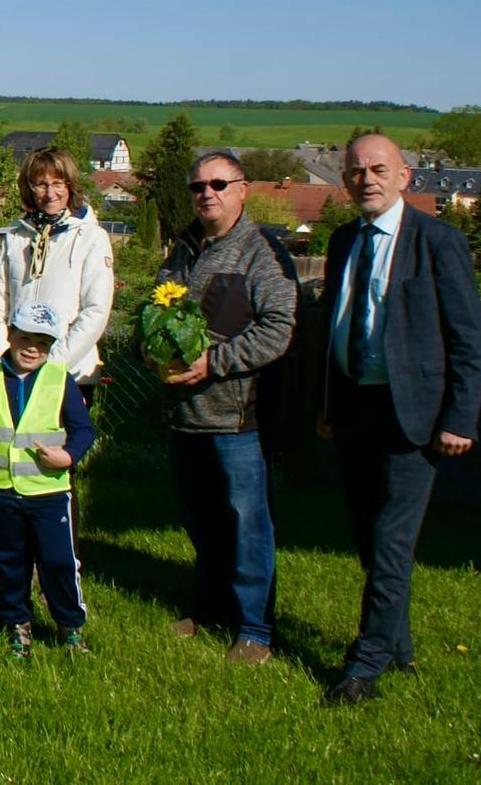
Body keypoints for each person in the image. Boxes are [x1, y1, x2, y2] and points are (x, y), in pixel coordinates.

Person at [317, 133, 481, 705]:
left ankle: (365, 666)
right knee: (369, 539)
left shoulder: (437, 242)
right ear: (344, 180)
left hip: (413, 413)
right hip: (354, 405)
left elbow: (467, 339)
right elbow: (333, 328)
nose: (366, 179)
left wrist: (460, 418)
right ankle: (400, 646)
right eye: (356, 171)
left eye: (378, 169)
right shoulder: (343, 241)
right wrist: (326, 407)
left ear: (405, 177)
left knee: (392, 539)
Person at [156, 152, 298, 666]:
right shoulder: (183, 249)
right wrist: (152, 352)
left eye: (218, 184)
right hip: (184, 413)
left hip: (237, 417)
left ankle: (255, 628)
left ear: (243, 190)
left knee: (247, 523)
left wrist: (214, 361)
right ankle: (211, 608)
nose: (206, 194)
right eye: (197, 186)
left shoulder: (262, 253)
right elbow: (156, 309)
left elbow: (278, 329)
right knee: (201, 520)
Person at [0, 303, 97, 660]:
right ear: (9, 335)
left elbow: (84, 429)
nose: (32, 348)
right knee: (11, 560)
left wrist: (68, 456)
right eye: (24, 338)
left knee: (58, 561)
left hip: (49, 491)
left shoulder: (60, 379)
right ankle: (17, 624)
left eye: (42, 342)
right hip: (1, 491)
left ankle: (70, 626)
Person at [0, 145, 115, 399]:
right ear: (29, 189)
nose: (50, 193)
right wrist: (5, 356)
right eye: (40, 185)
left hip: (70, 373)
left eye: (58, 183)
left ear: (71, 185)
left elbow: (95, 310)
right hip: (15, 372)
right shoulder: (16, 239)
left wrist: (51, 362)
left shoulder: (91, 238)